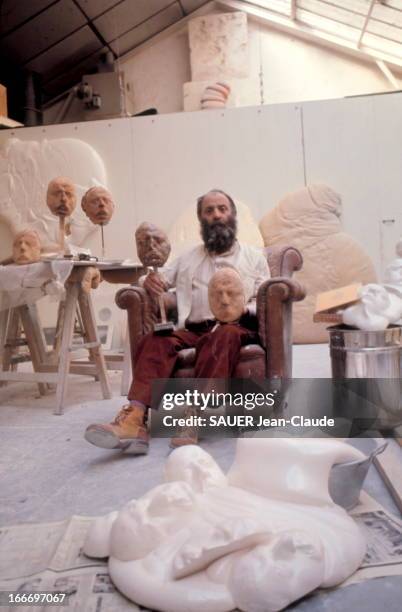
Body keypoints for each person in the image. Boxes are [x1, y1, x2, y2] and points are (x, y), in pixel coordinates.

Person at [84, 190, 270, 455]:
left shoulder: (254, 258)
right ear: (201, 220)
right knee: (155, 340)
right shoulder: (188, 258)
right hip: (194, 329)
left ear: (232, 215)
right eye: (209, 211)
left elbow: (264, 300)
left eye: (221, 209)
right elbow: (158, 279)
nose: (216, 215)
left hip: (236, 328)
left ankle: (194, 416)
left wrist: (239, 311)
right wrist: (147, 282)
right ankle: (135, 419)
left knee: (223, 335)